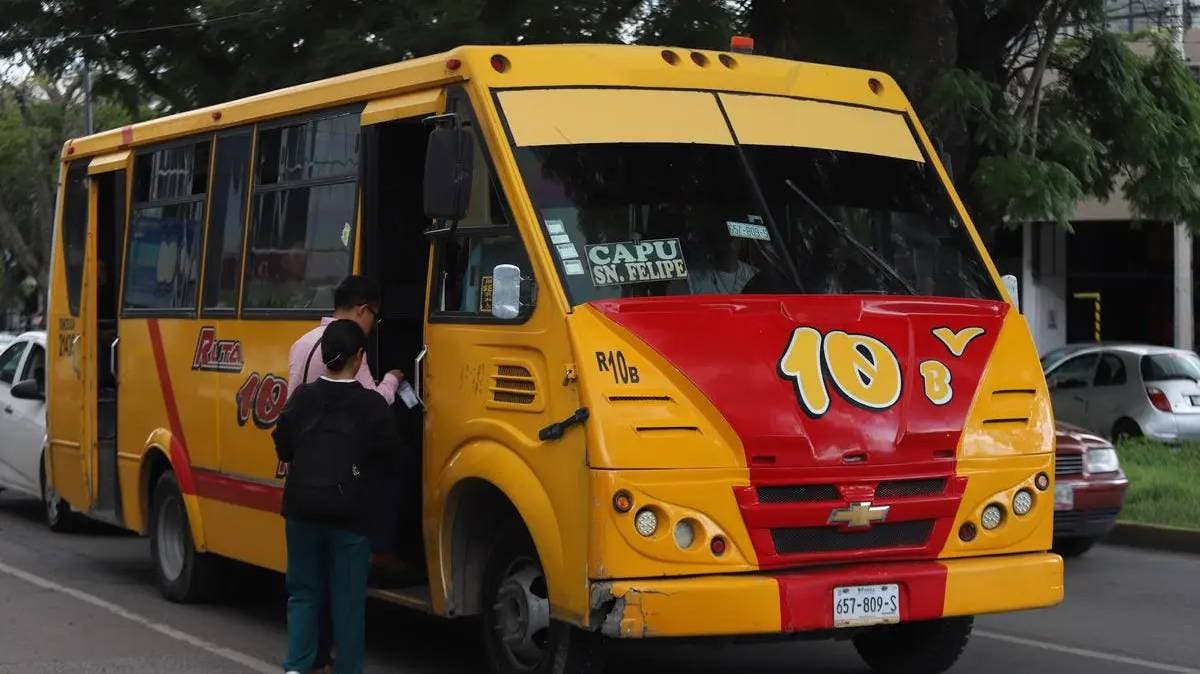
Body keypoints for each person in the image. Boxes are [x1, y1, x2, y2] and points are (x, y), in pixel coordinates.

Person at [285, 275, 404, 673]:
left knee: (303, 592)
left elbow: (284, 437)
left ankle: (299, 666)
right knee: (347, 600)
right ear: (355, 357)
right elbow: (389, 449)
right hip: (348, 507)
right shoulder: (368, 404)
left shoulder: (301, 359)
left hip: (301, 500)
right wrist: (394, 381)